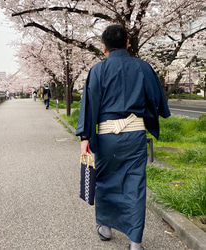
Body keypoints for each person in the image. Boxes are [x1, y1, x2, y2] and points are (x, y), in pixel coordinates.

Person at [76, 25, 170, 250]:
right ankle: (135, 243)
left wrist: (85, 137)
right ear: (128, 44)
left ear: (103, 47)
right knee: (135, 184)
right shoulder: (143, 67)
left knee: (106, 181)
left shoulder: (98, 70)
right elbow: (155, 98)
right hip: (135, 134)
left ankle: (105, 227)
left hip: (108, 137)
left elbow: (89, 106)